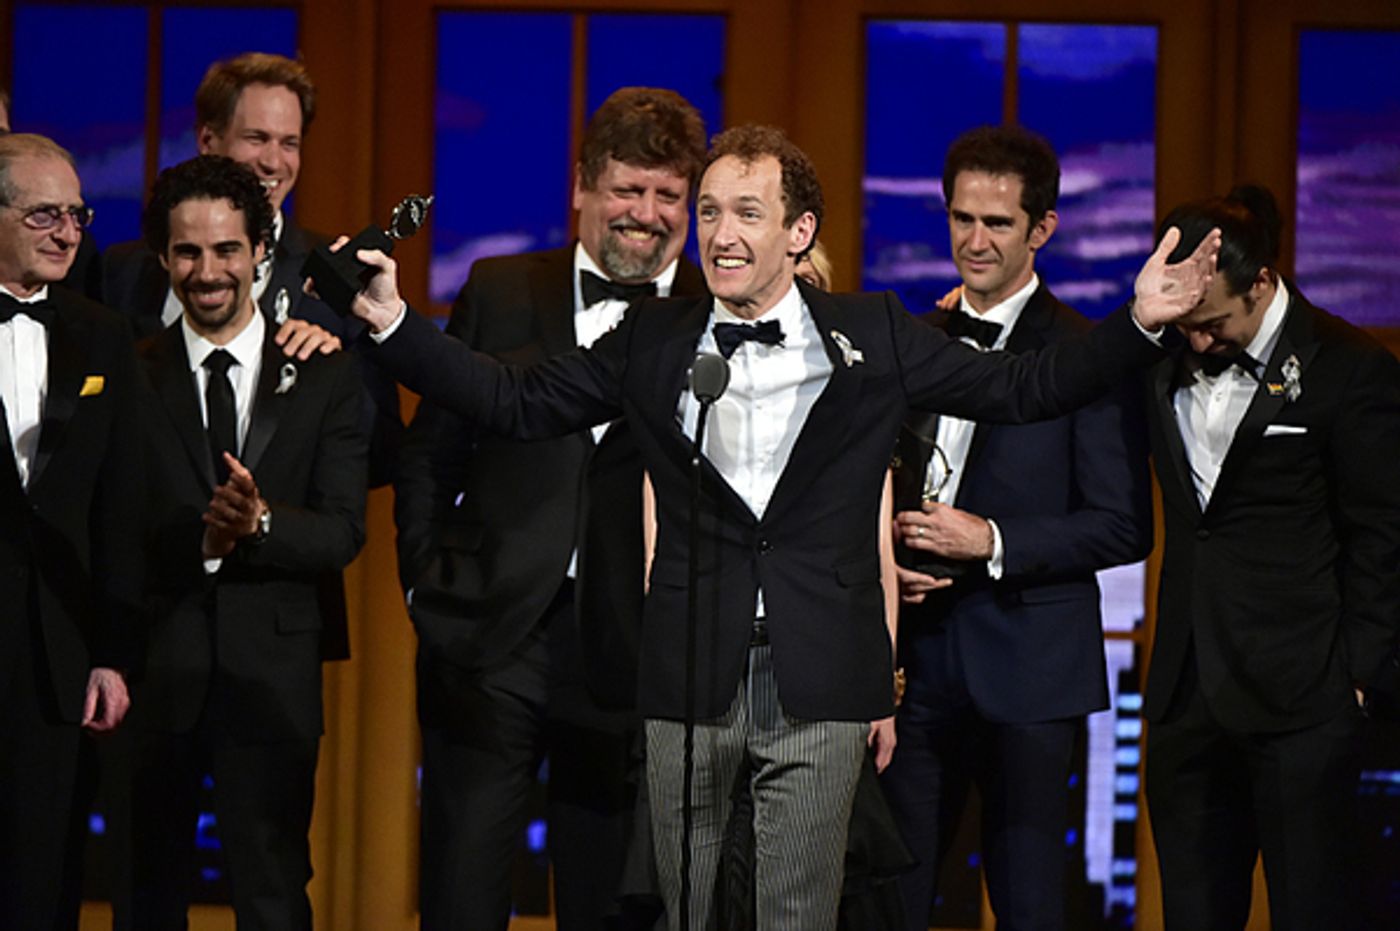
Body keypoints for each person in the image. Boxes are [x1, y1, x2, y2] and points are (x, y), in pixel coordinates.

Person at [330, 123, 1218, 931]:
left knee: (794, 914)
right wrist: (396, 323)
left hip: (819, 679)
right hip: (685, 672)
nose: (719, 232)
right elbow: (514, 401)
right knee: (690, 912)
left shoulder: (872, 336)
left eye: (746, 212)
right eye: (709, 209)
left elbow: (1028, 389)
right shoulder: (654, 338)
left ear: (798, 233)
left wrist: (1138, 324)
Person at [393, 86, 707, 931]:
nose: (645, 215)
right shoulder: (498, 288)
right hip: (490, 635)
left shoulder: (716, 319)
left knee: (612, 903)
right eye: (627, 190)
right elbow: (432, 452)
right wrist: (425, 579)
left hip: (635, 654)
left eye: (667, 195)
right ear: (580, 187)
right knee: (461, 894)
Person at [880, 125, 1153, 931]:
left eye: (997, 223)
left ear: (1042, 230)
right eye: (962, 218)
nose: (974, 240)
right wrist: (891, 559)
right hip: (911, 670)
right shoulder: (911, 341)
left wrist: (991, 540)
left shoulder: (1086, 355)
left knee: (1032, 905)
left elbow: (1122, 525)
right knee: (892, 896)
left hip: (1031, 674)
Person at [1141, 185, 1400, 931]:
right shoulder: (1156, 358)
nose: (1195, 340)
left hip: (1304, 704)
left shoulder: (1351, 368)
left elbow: (1384, 533)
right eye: (1183, 321)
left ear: (1262, 283)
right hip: (1187, 698)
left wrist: (1354, 677)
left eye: (1213, 321)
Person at [123, 154, 367, 929]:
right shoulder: (129, 372)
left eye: (227, 249)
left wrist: (258, 524)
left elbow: (342, 531)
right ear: (163, 258)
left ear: (262, 251)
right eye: (188, 252)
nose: (208, 271)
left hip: (273, 681)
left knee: (270, 894)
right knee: (146, 891)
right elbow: (110, 526)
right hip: (154, 675)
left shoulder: (325, 373)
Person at [101, 51, 401, 488]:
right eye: (257, 138)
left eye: (289, 143)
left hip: (286, 541)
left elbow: (383, 451)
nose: (274, 162)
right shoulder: (123, 273)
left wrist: (333, 375)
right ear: (207, 141)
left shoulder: (342, 274)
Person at [0, 133, 142, 929]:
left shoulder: (101, 335)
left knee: (39, 879)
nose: (65, 232)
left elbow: (120, 506)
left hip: (56, 660)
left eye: (77, 215)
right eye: (43, 215)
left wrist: (114, 653)